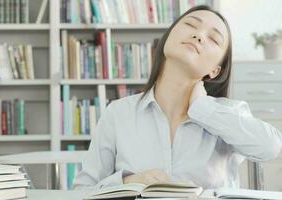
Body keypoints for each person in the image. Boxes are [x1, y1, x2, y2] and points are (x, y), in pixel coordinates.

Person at [73, 5, 282, 190]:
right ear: (167, 38)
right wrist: (128, 183)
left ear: (215, 71)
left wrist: (203, 108)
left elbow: (271, 147)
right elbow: (82, 191)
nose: (199, 35)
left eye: (213, 39)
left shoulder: (228, 113)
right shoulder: (118, 113)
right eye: (191, 25)